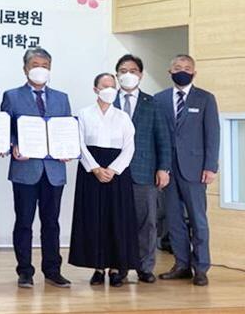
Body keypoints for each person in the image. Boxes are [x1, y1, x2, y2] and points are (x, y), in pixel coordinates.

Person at [1, 48, 72, 289]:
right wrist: (13, 144)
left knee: (51, 222)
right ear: (25, 68)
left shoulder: (62, 98)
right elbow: (5, 129)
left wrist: (68, 148)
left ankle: (53, 270)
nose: (40, 69)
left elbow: (66, 129)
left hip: (54, 170)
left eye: (45, 65)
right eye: (35, 65)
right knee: (24, 222)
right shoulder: (12, 96)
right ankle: (25, 271)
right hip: (25, 169)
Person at [69, 73, 139, 287]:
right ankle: (98, 268)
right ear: (95, 89)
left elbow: (129, 147)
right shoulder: (84, 114)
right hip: (91, 171)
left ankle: (116, 267)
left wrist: (113, 169)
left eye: (112, 86)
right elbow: (79, 144)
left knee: (117, 218)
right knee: (94, 218)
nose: (109, 89)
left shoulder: (123, 117)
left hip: (117, 172)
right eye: (104, 85)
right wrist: (95, 168)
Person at [155, 55, 219, 287]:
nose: (182, 71)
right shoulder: (159, 99)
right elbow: (157, 134)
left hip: (195, 169)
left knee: (197, 219)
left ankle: (201, 267)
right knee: (173, 220)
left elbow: (213, 134)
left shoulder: (205, 98)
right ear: (170, 71)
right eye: (178, 67)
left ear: (194, 72)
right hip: (168, 170)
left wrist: (210, 166)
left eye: (187, 68)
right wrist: (159, 167)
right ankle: (181, 264)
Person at [115, 54, 171, 283]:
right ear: (117, 74)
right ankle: (118, 267)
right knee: (116, 221)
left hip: (144, 171)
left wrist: (163, 168)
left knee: (147, 222)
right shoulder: (108, 101)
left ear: (141, 74)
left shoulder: (153, 103)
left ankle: (144, 267)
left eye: (133, 70)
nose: (128, 74)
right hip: (114, 172)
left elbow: (163, 138)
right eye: (123, 70)